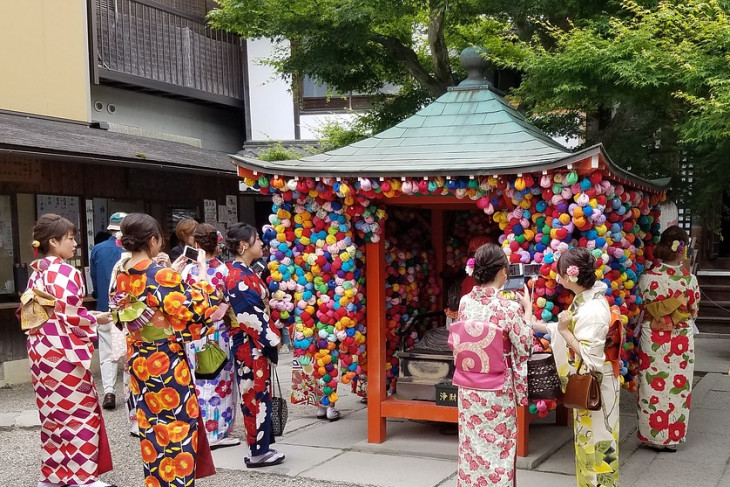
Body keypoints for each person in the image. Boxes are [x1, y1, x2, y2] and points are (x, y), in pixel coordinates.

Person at [109, 213, 221, 486]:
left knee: (152, 430)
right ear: (153, 240)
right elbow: (195, 310)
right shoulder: (159, 274)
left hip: (139, 359)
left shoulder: (123, 273)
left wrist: (176, 273)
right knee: (178, 426)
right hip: (165, 362)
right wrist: (203, 273)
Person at [23, 214, 115, 487]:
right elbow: (70, 314)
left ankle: (53, 475)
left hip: (39, 349)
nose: (75, 243)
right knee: (80, 412)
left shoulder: (36, 271)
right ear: (54, 241)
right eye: (71, 238)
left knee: (52, 413)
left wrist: (83, 316)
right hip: (63, 350)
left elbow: (53, 312)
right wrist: (93, 319)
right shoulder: (65, 271)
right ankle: (82, 476)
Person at [532, 247, 620, 486]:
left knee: (599, 448)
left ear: (571, 276)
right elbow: (564, 329)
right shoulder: (585, 301)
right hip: (591, 384)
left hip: (596, 385)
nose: (556, 277)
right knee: (588, 446)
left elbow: (591, 357)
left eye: (560, 272)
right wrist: (534, 324)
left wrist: (563, 332)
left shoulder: (592, 310)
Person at [449, 243, 532, 487]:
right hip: (497, 389)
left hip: (469, 388)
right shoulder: (507, 307)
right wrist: (527, 309)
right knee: (499, 449)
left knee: (472, 448)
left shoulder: (465, 302)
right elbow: (524, 344)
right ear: (502, 272)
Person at [223, 223, 285, 468]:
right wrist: (272, 339)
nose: (261, 242)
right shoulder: (237, 275)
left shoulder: (243, 271)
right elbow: (251, 316)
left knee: (258, 393)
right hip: (249, 342)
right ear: (242, 246)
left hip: (252, 341)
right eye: (256, 239)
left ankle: (261, 446)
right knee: (254, 395)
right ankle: (257, 452)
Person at [636, 225, 700, 452]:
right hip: (680, 339)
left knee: (651, 385)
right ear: (682, 250)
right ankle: (672, 439)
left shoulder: (647, 278)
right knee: (678, 386)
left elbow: (641, 308)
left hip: (652, 337)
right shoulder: (689, 281)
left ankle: (652, 435)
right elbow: (693, 312)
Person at [181, 223, 239, 449]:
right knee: (220, 381)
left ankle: (201, 429)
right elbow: (230, 302)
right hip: (219, 333)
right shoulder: (225, 271)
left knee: (198, 381)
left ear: (195, 244)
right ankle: (217, 433)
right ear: (218, 244)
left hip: (194, 333)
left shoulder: (186, 271)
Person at [89, 211, 127, 410]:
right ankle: (129, 393)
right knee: (130, 352)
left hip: (104, 308)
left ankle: (109, 392)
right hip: (129, 312)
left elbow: (94, 281)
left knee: (106, 352)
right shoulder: (133, 250)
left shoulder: (97, 250)